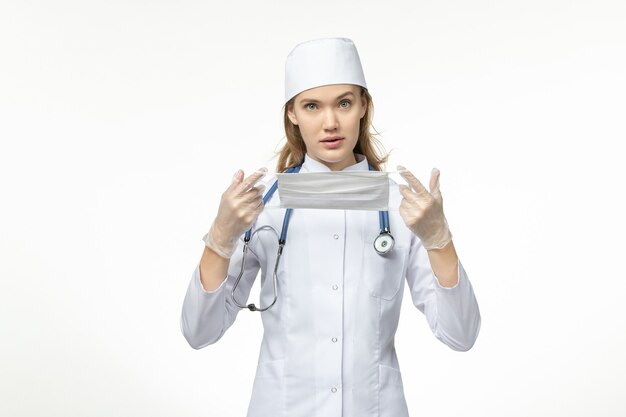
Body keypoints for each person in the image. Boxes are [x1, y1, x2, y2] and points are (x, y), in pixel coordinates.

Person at [180, 37, 481, 417]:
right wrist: (219, 239)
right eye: (312, 106)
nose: (330, 123)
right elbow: (199, 332)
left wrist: (440, 240)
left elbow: (461, 334)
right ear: (292, 113)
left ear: (363, 107)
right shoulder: (261, 205)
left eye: (343, 103)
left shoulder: (405, 207)